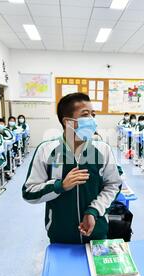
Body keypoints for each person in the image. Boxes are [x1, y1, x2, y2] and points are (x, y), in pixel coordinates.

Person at [23, 93, 122, 244]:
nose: (92, 120)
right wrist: (60, 186)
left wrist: (93, 211)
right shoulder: (46, 150)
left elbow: (113, 185)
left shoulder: (103, 149)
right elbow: (29, 192)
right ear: (68, 122)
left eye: (93, 114)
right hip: (60, 234)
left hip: (96, 232)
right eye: (85, 114)